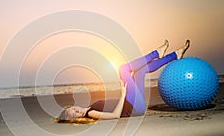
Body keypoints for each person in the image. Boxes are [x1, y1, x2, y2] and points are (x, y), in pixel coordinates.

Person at [57, 40, 190, 122]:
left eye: (73, 108)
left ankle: (174, 55)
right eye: (73, 114)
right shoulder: (91, 113)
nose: (76, 111)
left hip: (134, 105)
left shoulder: (89, 108)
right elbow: (115, 115)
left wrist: (125, 95)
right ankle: (155, 54)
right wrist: (123, 93)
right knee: (123, 69)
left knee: (140, 71)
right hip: (133, 108)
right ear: (76, 120)